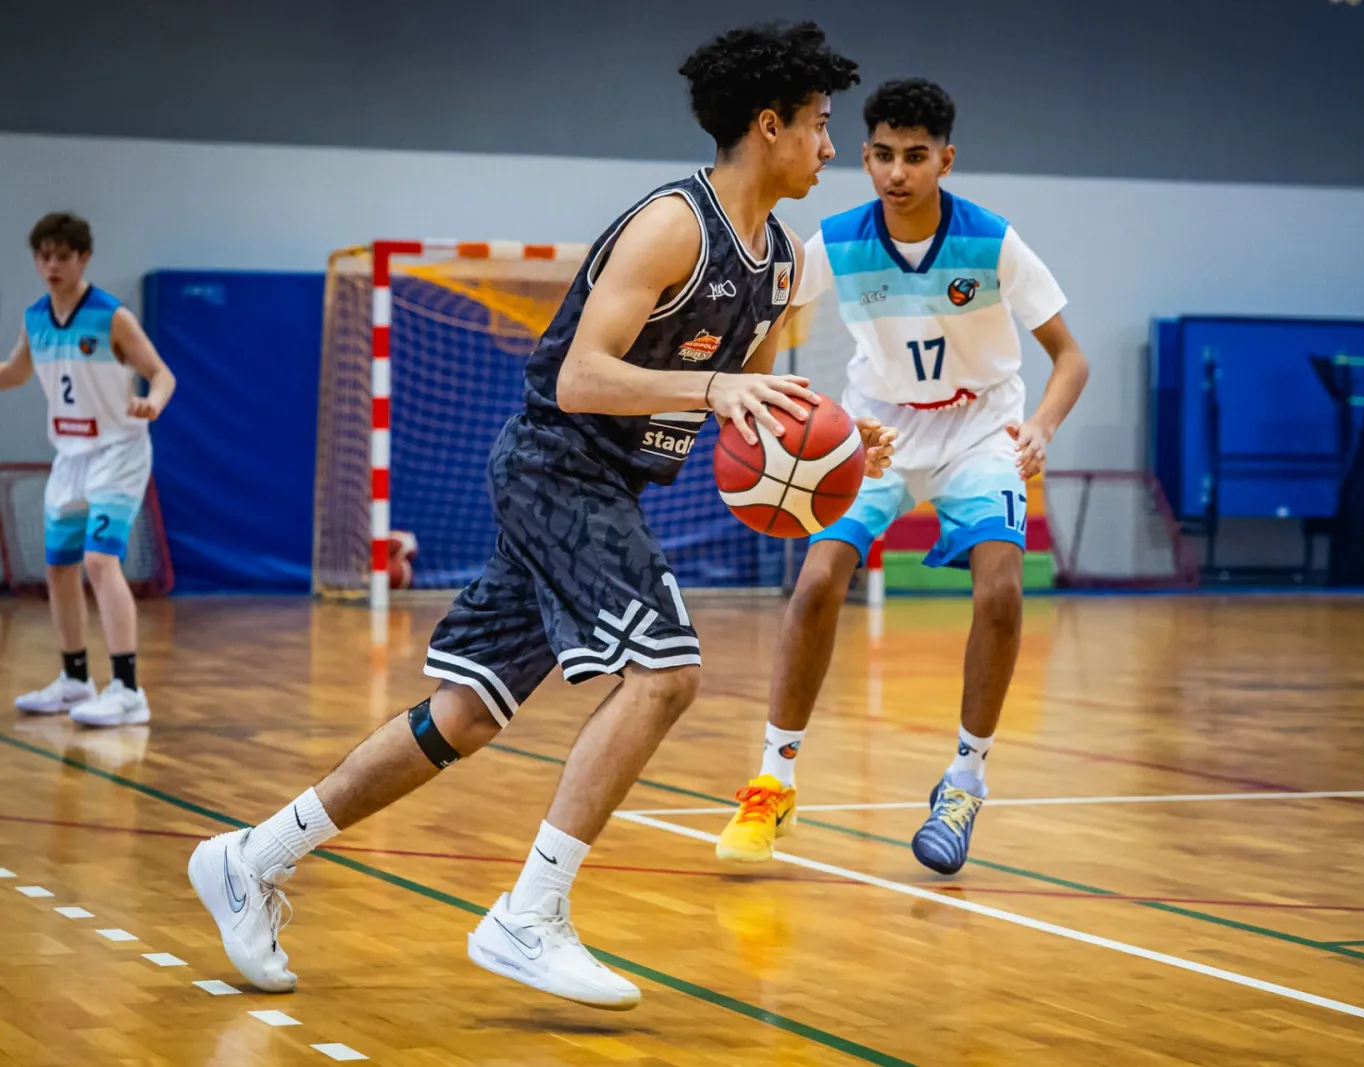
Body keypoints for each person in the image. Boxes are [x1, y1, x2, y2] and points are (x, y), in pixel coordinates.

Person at [188, 22, 889, 1011]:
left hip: (605, 485)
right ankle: (530, 911)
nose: (830, 146)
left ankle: (250, 857)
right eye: (819, 124)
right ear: (767, 125)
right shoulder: (673, 224)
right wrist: (714, 390)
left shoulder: (777, 260)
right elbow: (580, 377)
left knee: (465, 712)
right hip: (557, 465)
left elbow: (754, 408)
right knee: (666, 673)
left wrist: (836, 447)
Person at [716, 78, 1088, 875]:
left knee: (1001, 588)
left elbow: (1071, 358)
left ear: (945, 160)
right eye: (883, 154)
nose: (897, 172)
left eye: (916, 156)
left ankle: (965, 780)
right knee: (819, 579)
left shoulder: (992, 242)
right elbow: (766, 334)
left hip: (980, 428)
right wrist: (789, 416)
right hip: (874, 430)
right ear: (864, 157)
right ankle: (774, 779)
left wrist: (1042, 427)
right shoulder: (834, 243)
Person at [2, 212, 177, 728]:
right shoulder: (35, 319)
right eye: (44, 256)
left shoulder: (111, 316)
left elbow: (161, 373)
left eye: (63, 256)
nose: (52, 265)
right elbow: (14, 372)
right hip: (71, 455)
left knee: (100, 562)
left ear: (83, 259)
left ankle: (128, 690)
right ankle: (75, 679)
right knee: (58, 568)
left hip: (119, 452)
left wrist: (153, 402)